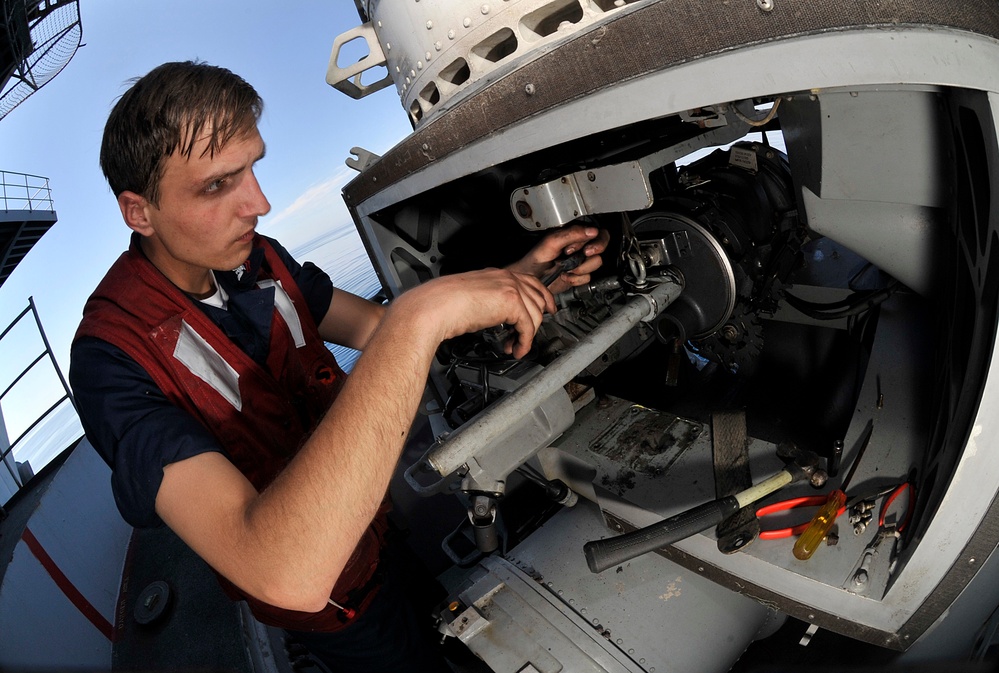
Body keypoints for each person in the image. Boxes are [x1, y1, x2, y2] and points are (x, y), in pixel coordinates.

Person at [70, 61, 607, 672]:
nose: (260, 204)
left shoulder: (260, 260)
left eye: (254, 167)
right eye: (218, 186)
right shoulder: (110, 359)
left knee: (441, 628)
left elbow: (376, 328)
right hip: (335, 606)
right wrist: (421, 316)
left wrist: (516, 279)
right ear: (139, 212)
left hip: (377, 529)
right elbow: (279, 569)